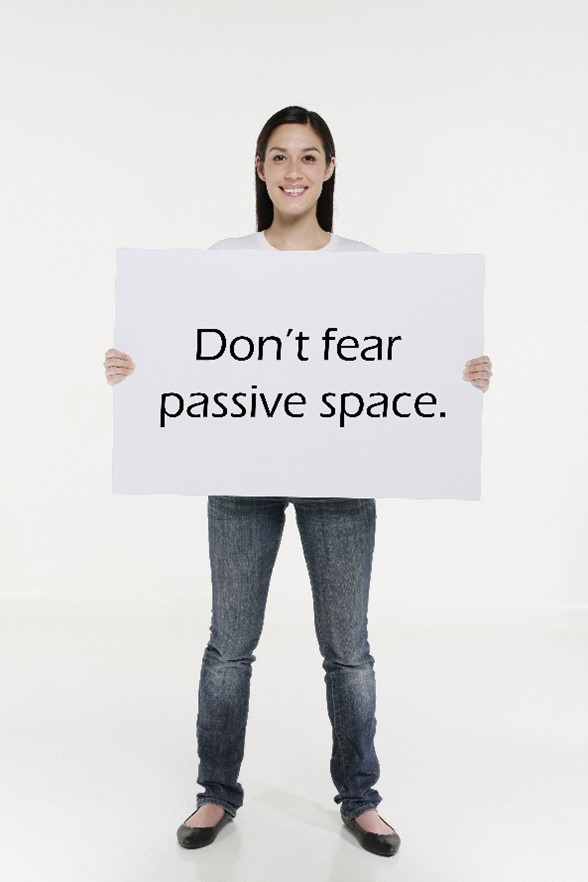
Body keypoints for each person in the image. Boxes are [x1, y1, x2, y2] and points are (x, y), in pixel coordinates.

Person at [104, 105, 492, 857]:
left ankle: (361, 798)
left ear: (330, 169)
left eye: (308, 157)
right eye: (279, 157)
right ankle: (216, 794)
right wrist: (133, 372)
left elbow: (397, 359)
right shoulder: (223, 259)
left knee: (348, 648)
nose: (293, 171)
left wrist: (459, 379)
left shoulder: (362, 263)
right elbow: (188, 355)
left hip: (340, 475)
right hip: (241, 472)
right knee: (230, 646)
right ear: (259, 170)